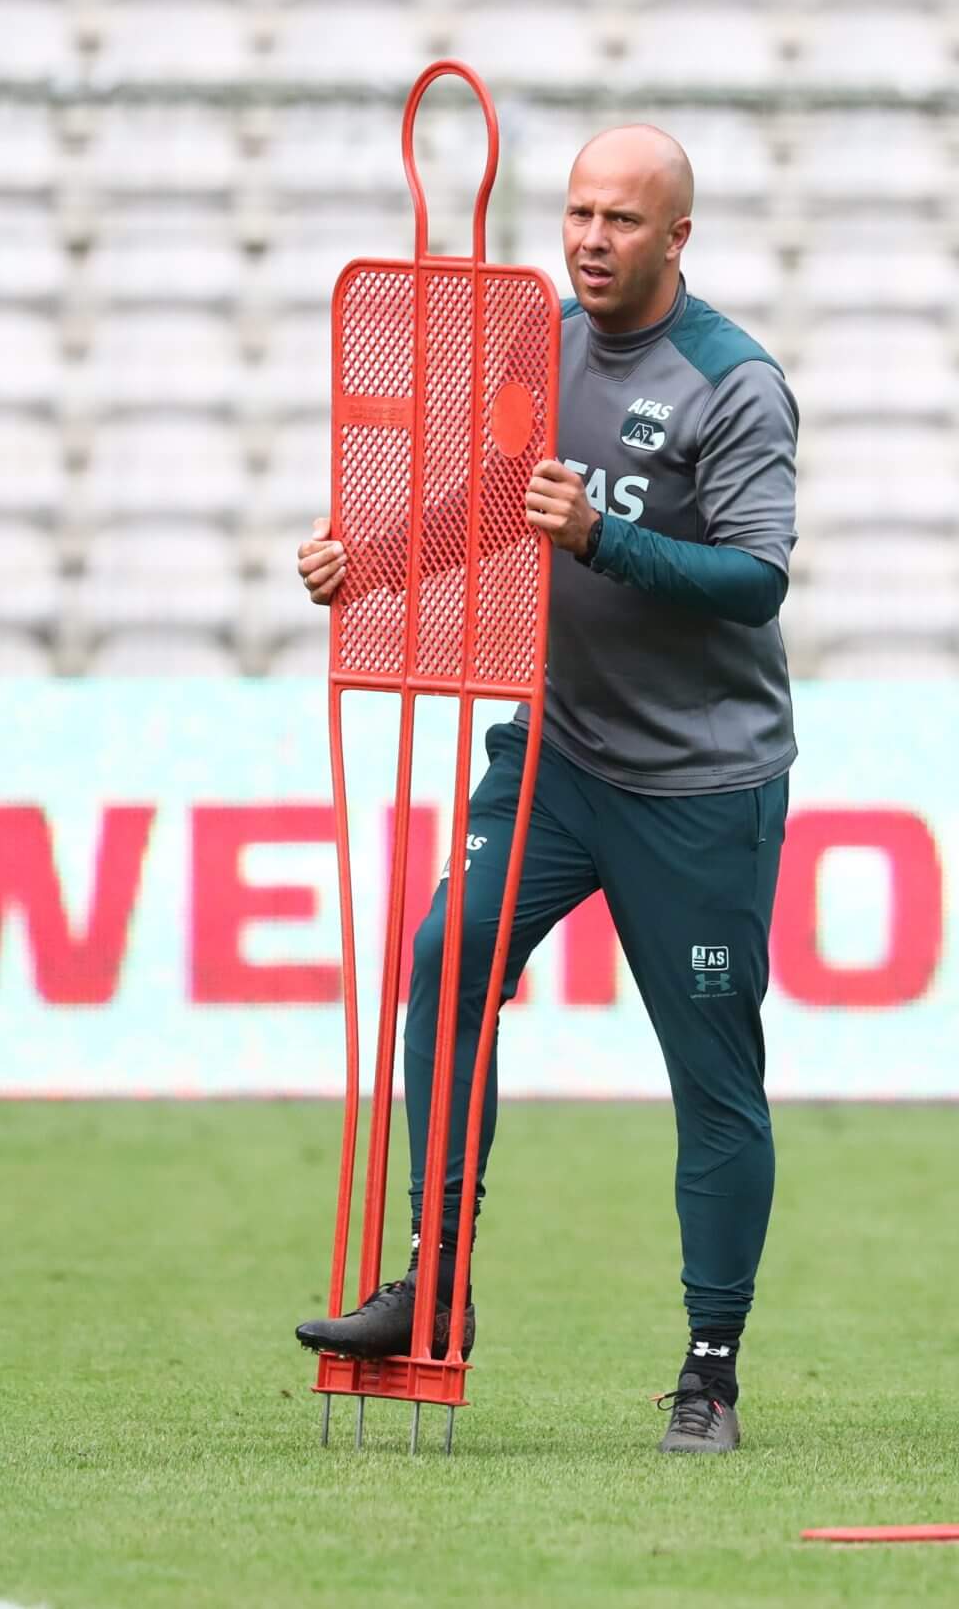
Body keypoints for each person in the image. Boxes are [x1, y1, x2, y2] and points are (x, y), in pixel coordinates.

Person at [292, 124, 797, 1456]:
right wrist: (375, 560)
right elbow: (493, 501)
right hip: (559, 753)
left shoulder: (736, 385)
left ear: (677, 237)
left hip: (700, 785)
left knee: (714, 1081)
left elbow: (757, 578)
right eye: (578, 212)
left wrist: (608, 539)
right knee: (447, 957)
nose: (589, 238)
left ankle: (709, 1369)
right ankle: (435, 1286)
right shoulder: (540, 347)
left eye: (622, 220)